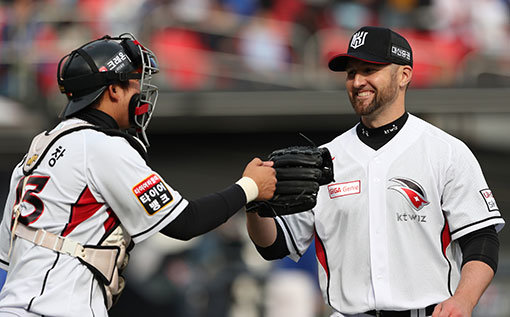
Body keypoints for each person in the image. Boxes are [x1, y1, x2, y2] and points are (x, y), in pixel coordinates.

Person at [0, 33, 276, 317]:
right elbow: (186, 222)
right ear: (113, 91)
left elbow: (8, 258)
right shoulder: (100, 145)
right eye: (134, 81)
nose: (141, 90)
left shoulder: (35, 152)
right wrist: (250, 187)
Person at [246, 26, 505, 317]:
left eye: (369, 70)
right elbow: (276, 245)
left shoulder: (445, 151)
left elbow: (481, 239)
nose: (357, 81)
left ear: (404, 75)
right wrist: (255, 202)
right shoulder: (325, 158)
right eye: (351, 73)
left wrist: (464, 299)